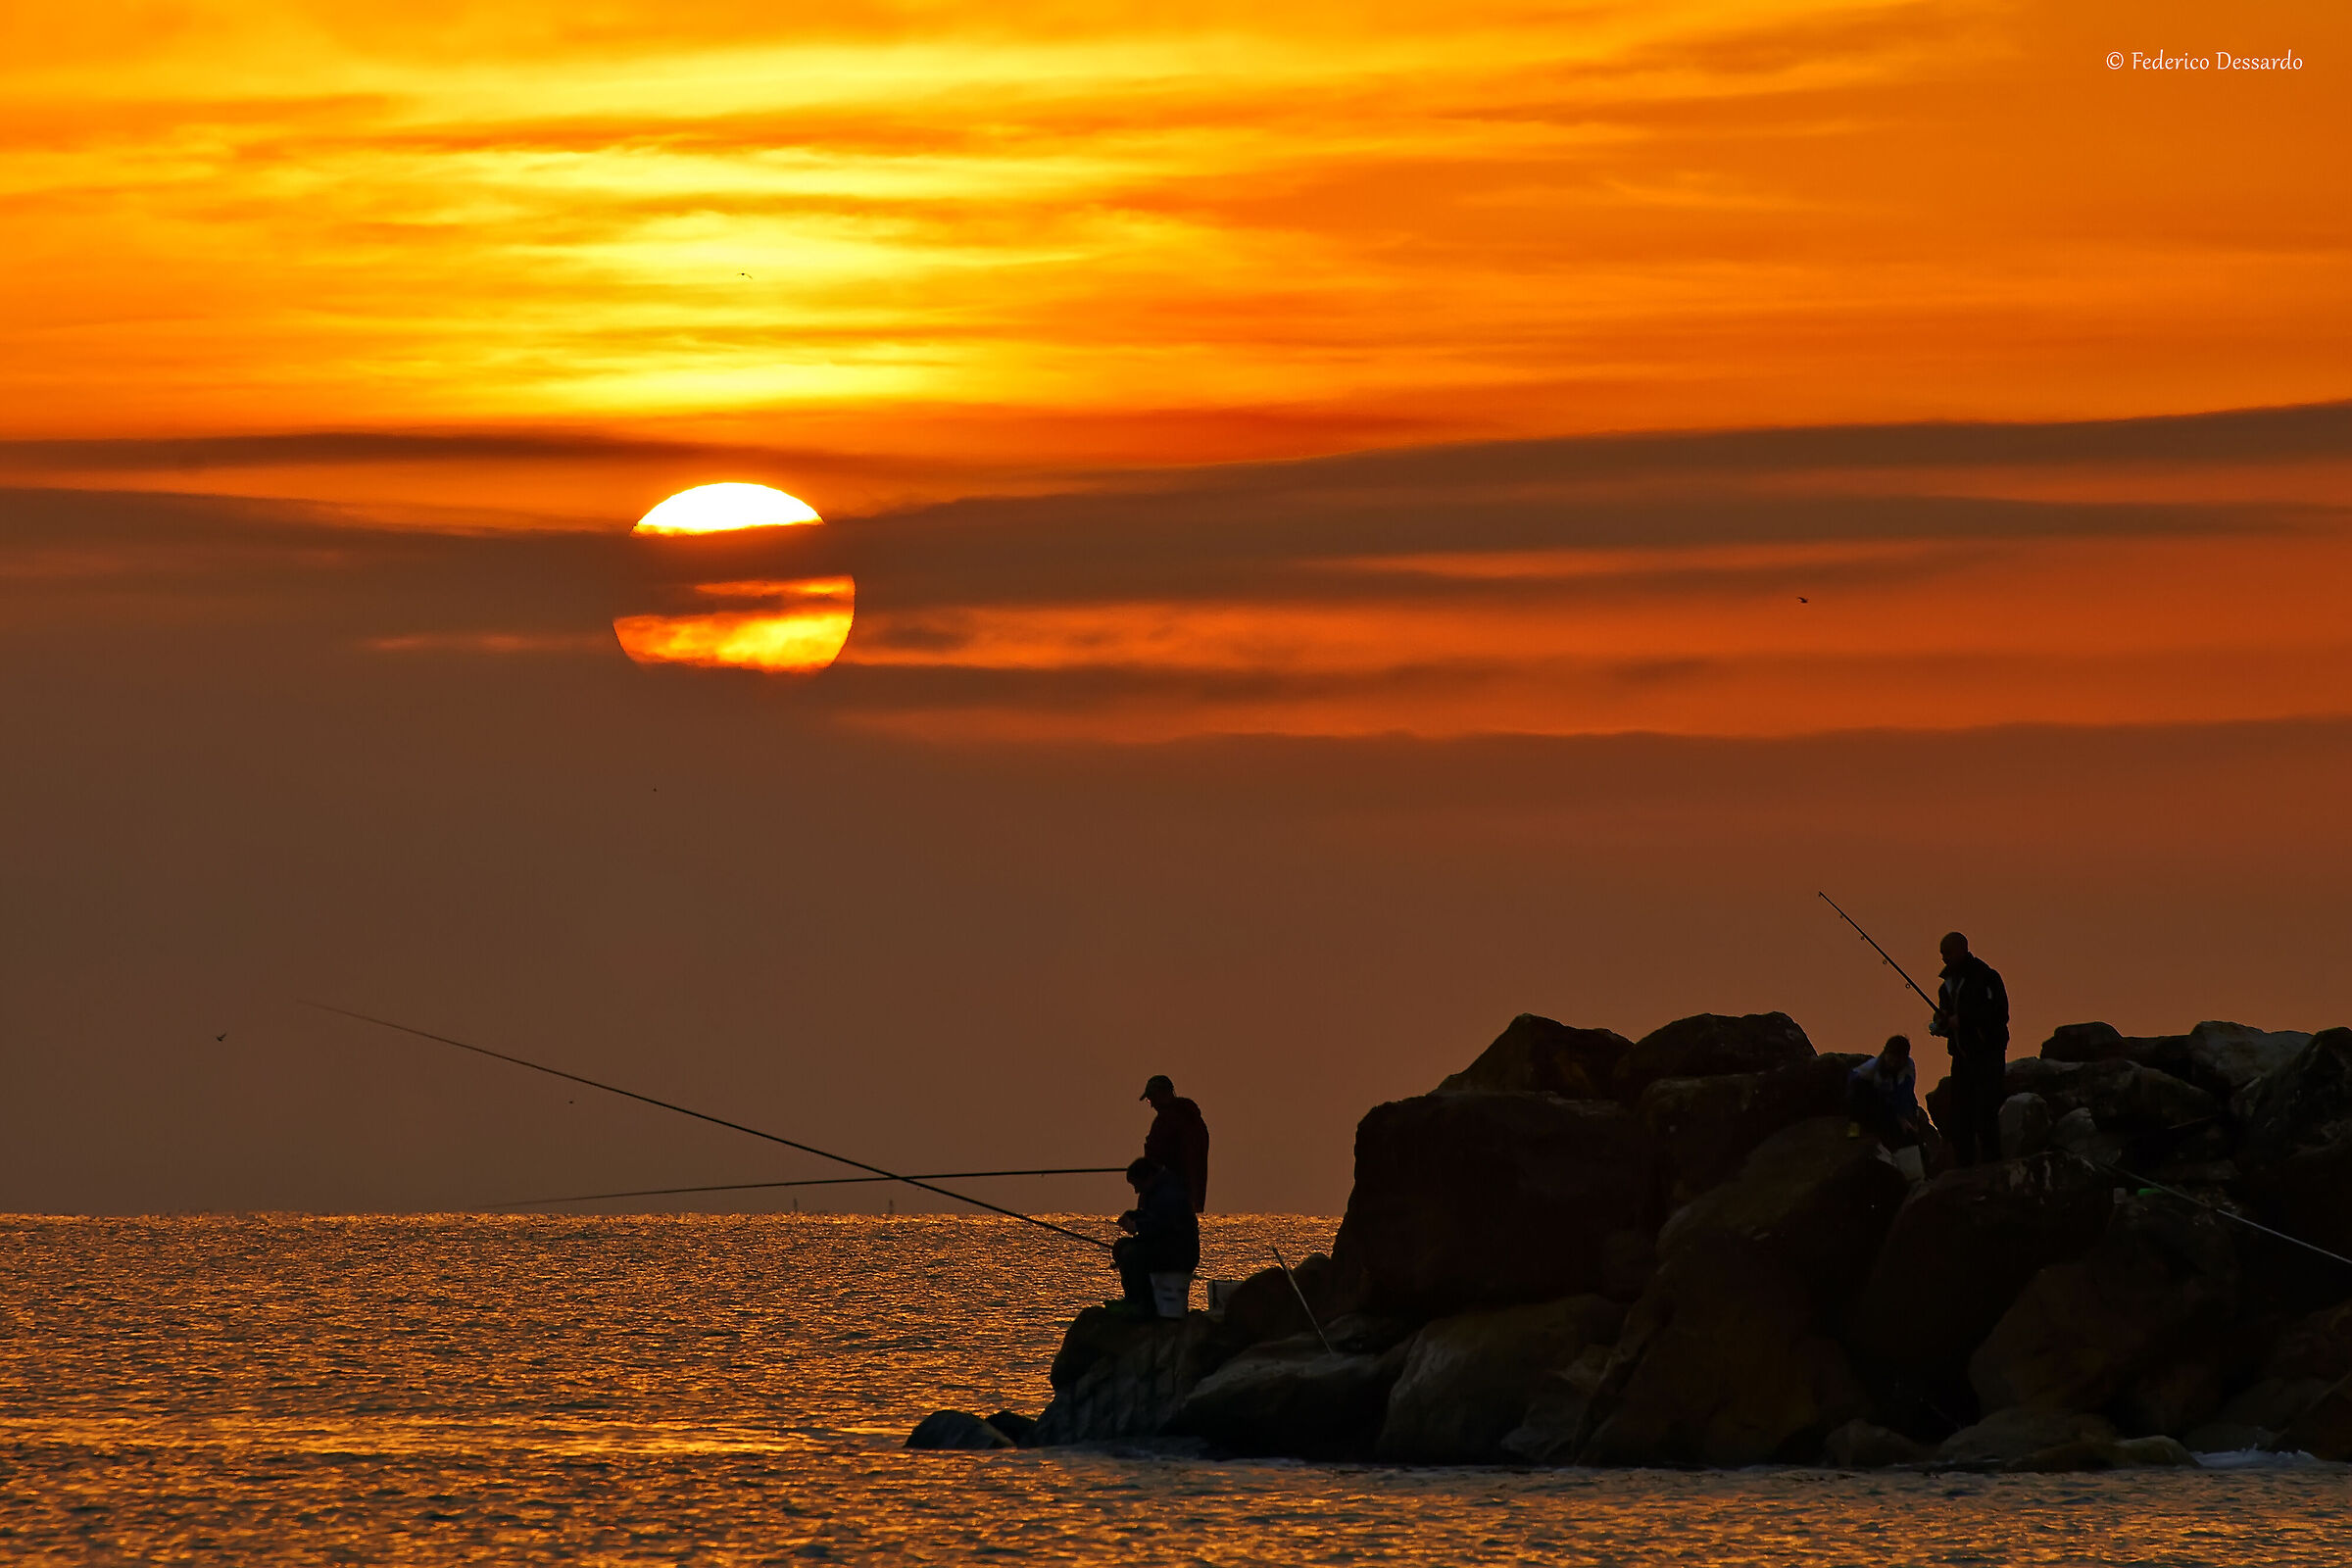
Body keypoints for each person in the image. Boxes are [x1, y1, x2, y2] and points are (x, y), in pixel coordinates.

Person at [1929, 930, 2009, 1165]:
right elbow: (1948, 1017)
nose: (1944, 958)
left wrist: (1962, 1020)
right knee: (1960, 1117)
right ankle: (1965, 1171)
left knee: (1986, 1114)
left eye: (1947, 953)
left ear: (1963, 949)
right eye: (1942, 954)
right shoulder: (1946, 987)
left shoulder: (1987, 977)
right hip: (1962, 1057)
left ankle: (1992, 1167)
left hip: (1988, 1055)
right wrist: (1943, 1024)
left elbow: (1998, 1014)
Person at [1110, 1157, 1200, 1317]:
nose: (1137, 1191)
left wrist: (1137, 1226)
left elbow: (1164, 1223)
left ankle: (1147, 1305)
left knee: (1133, 1254)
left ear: (1149, 1177)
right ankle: (1132, 1299)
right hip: (1164, 1245)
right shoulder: (1158, 1190)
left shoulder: (1171, 1191)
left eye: (1137, 1185)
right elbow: (1152, 1216)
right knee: (1120, 1247)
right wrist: (1132, 1216)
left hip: (1179, 1252)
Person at [1140, 1074, 1210, 1213]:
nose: (1151, 1104)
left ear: (1162, 1094)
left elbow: (1155, 1158)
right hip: (1191, 1198)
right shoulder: (1195, 1120)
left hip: (1167, 1197)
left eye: (1151, 1098)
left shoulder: (1165, 1121)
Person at [1846, 1034, 1924, 1147]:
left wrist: (1907, 1116)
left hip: (1892, 1098)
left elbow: (1906, 1092)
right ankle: (1855, 1124)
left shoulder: (1908, 1067)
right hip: (1872, 1097)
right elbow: (1853, 1088)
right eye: (1891, 1058)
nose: (1893, 1064)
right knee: (1862, 1091)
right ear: (1886, 1054)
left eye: (1898, 1061)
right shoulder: (1869, 1070)